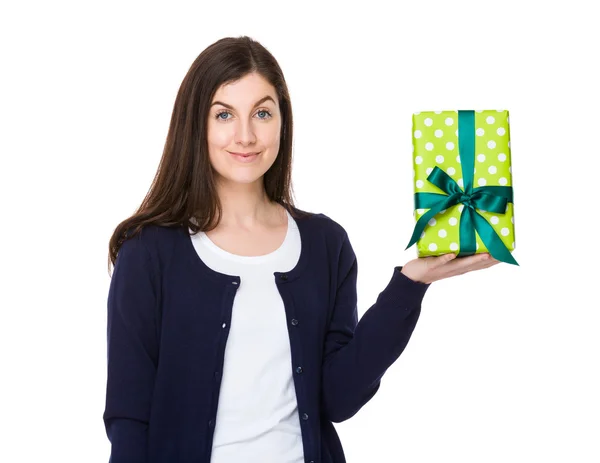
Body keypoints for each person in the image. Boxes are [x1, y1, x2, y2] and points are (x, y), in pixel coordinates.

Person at [103, 35, 499, 463]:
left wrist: (410, 284)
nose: (246, 135)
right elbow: (129, 417)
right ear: (195, 124)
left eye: (262, 112)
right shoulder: (149, 252)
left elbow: (339, 398)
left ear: (282, 121)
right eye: (223, 114)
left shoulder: (325, 245)